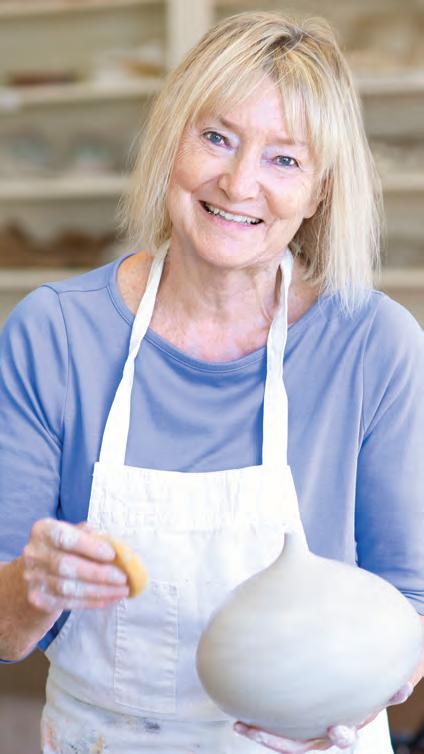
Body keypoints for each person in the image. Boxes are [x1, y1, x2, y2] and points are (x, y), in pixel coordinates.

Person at [0, 10, 423, 754]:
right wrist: (34, 586)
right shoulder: (54, 333)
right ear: (171, 141)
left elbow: (410, 602)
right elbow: (4, 631)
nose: (239, 182)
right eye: (217, 138)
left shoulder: (374, 345)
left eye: (284, 159)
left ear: (320, 191)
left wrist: (359, 688)